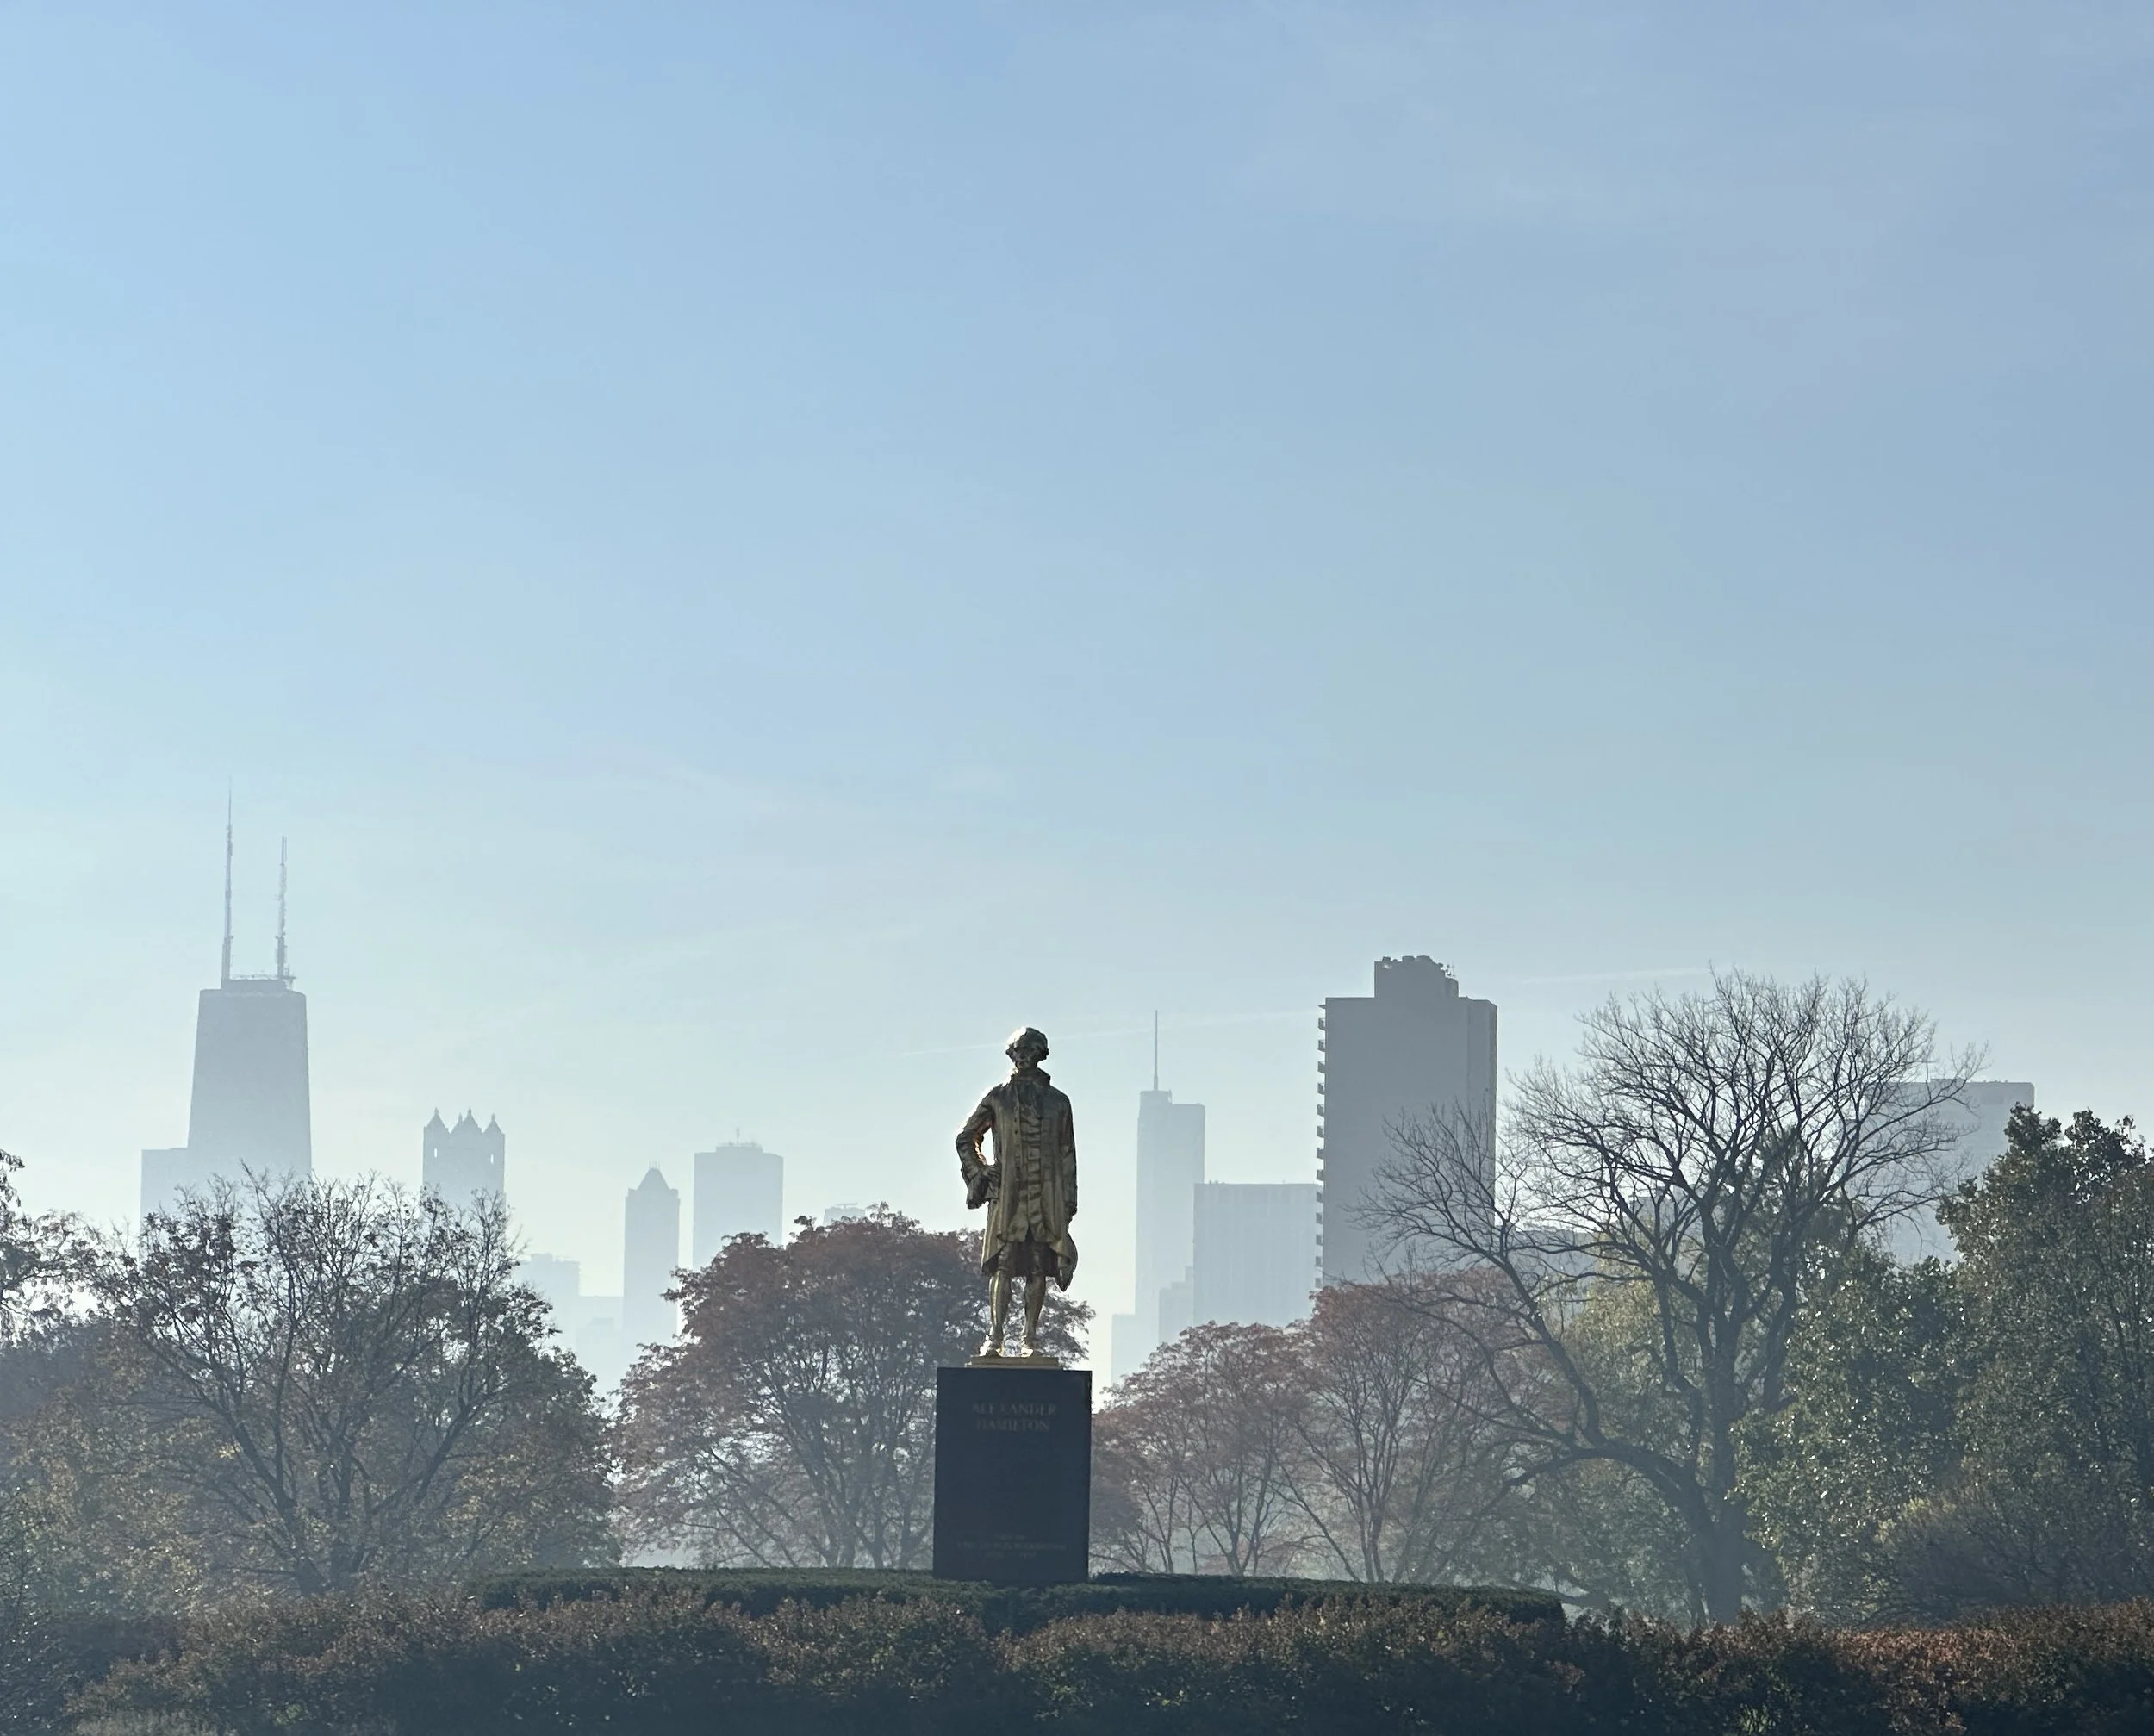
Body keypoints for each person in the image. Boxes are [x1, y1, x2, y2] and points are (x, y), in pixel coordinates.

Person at [955, 1025, 1077, 1360]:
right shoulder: (998, 1097)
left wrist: (1068, 1199)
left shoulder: (1058, 1103)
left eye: (1029, 1050)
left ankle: (1030, 1339)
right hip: (1009, 1192)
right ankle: (994, 1337)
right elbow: (967, 1137)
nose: (1022, 1056)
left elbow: (1068, 1153)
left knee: (1039, 1263)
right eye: (1017, 1050)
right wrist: (980, 1171)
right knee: (1003, 1263)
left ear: (1040, 1053)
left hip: (1045, 1193)